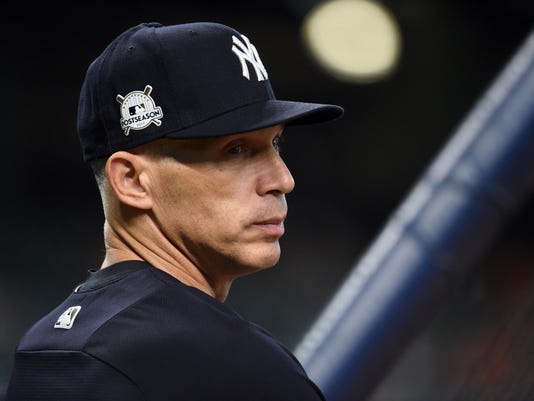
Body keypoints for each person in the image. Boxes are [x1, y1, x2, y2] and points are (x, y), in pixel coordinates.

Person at [6, 21, 343, 400]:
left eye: (275, 143)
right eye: (236, 150)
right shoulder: (228, 365)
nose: (282, 179)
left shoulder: (40, 346)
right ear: (132, 180)